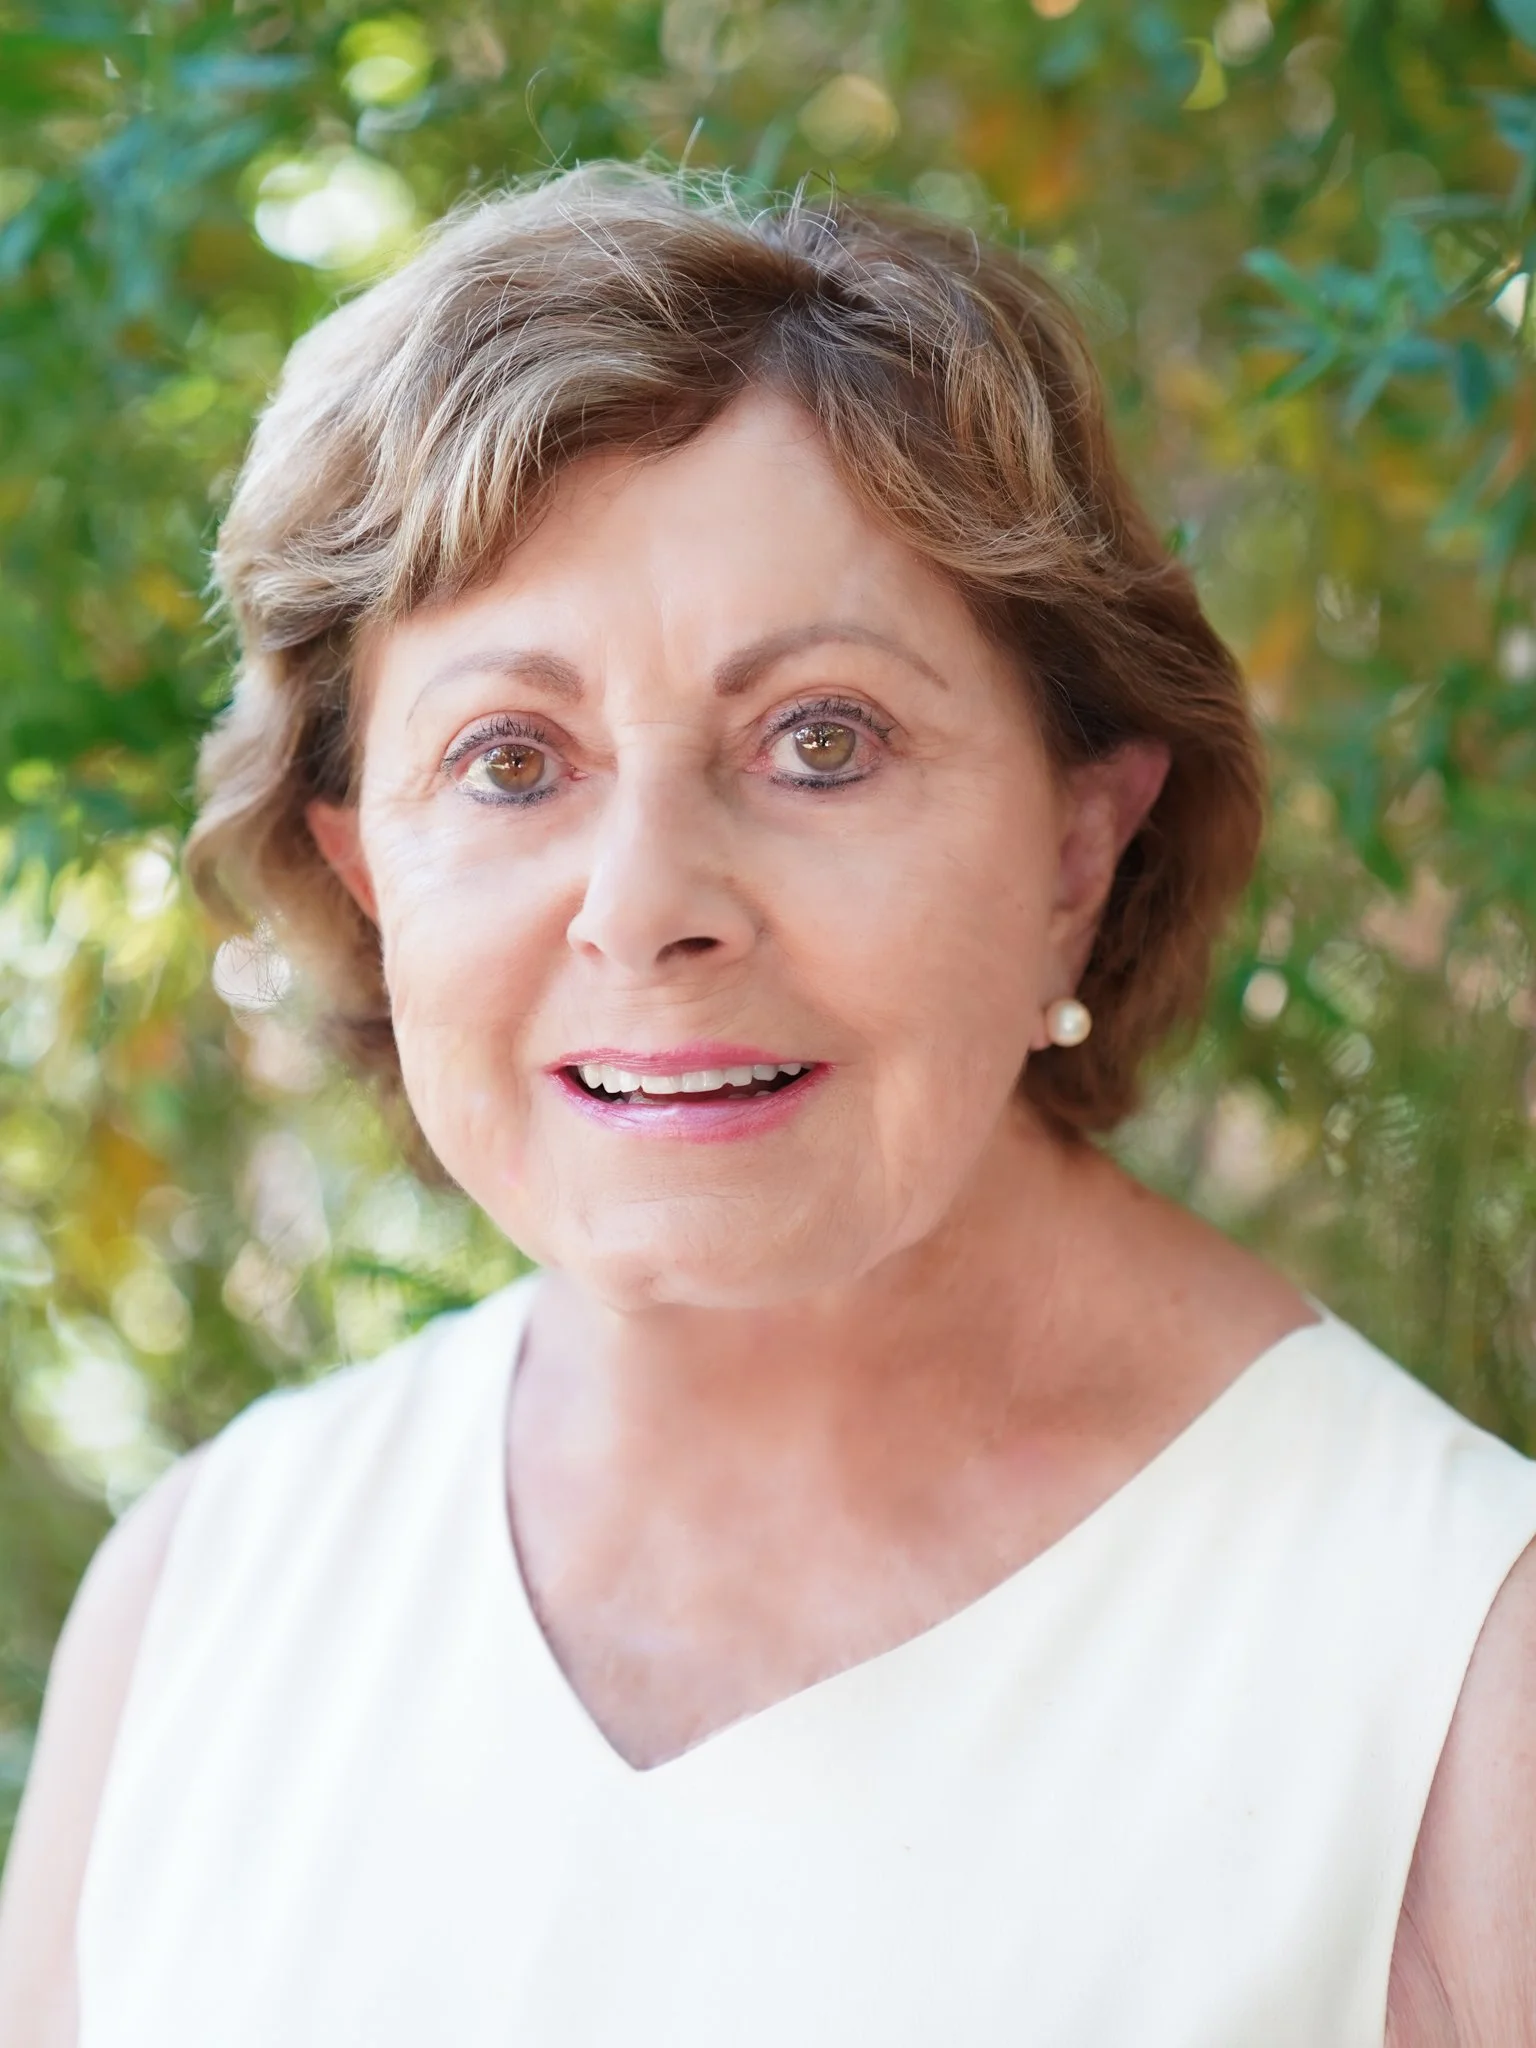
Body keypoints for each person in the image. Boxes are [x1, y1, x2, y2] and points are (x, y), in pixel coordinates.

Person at [1, 164, 1532, 2048]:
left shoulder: (1460, 1679)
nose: (647, 904)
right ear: (366, 871)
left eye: (821, 740)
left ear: (1079, 845)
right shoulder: (203, 1603)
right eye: (509, 760)